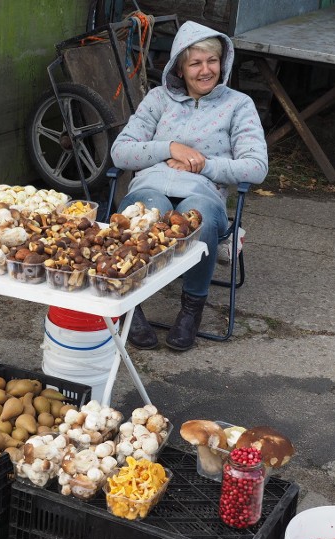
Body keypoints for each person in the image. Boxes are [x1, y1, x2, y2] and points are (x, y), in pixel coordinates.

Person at [110, 20, 268, 351]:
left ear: (222, 63)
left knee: (199, 218)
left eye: (212, 61)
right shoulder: (157, 100)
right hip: (151, 184)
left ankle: (191, 310)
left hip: (203, 191)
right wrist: (169, 148)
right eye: (195, 62)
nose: (205, 70)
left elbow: (256, 167)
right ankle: (128, 303)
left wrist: (203, 164)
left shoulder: (238, 106)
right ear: (180, 68)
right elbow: (120, 152)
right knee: (146, 213)